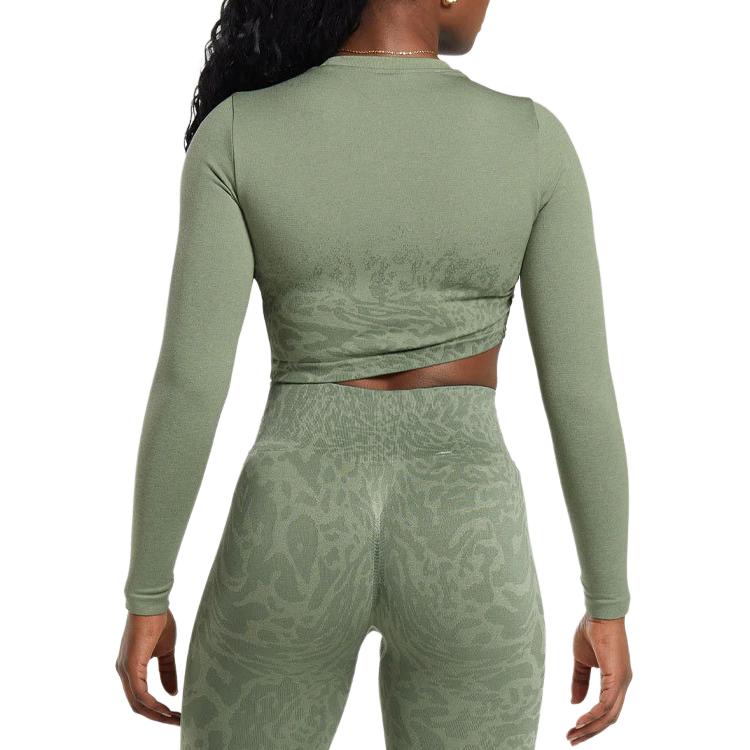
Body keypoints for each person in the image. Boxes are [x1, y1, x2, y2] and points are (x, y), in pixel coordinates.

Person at [115, 1, 633, 747]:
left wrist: (147, 593)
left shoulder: (237, 133)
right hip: (469, 532)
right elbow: (580, 394)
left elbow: (190, 382)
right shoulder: (532, 139)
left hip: (291, 521)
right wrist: (607, 602)